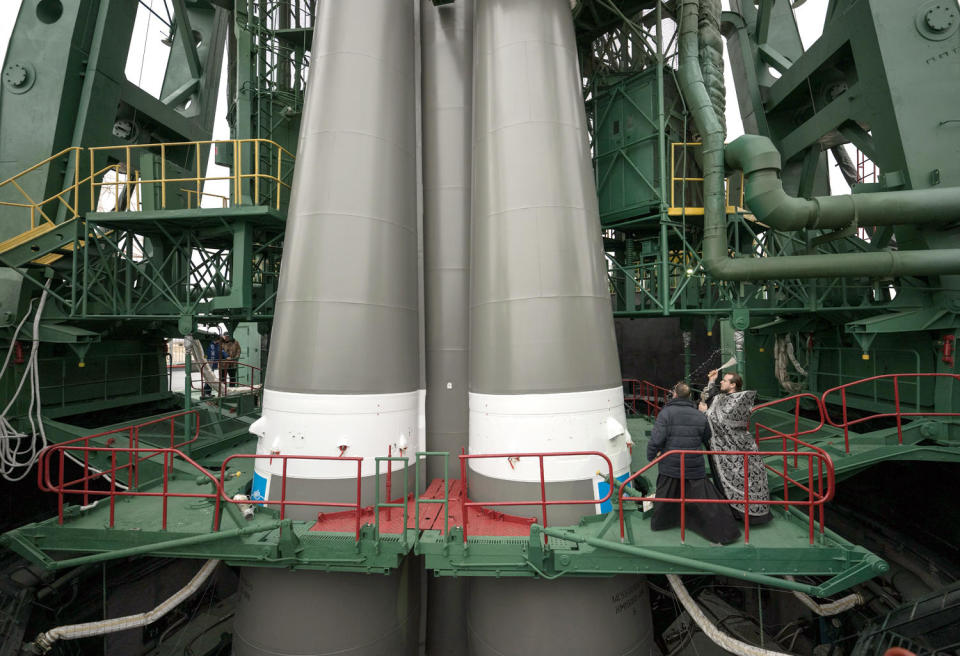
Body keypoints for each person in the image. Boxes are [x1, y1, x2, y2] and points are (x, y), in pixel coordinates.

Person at [646, 382, 740, 544]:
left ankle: (663, 523)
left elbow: (657, 439)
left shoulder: (666, 413)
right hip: (693, 465)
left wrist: (651, 456)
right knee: (703, 499)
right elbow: (707, 436)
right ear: (690, 396)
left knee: (666, 494)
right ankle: (724, 532)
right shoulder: (699, 415)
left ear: (675, 394)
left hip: (670, 464)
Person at [701, 369, 772, 524]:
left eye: (725, 380)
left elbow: (721, 422)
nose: (722, 382)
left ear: (733, 385)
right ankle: (732, 512)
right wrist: (712, 380)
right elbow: (710, 400)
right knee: (724, 479)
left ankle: (747, 516)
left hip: (734, 449)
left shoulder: (739, 400)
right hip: (722, 446)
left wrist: (705, 413)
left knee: (741, 478)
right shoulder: (723, 397)